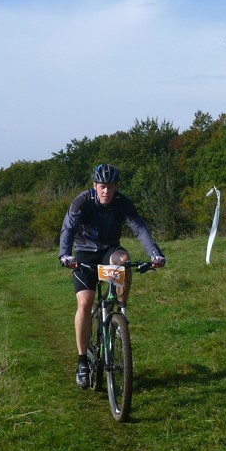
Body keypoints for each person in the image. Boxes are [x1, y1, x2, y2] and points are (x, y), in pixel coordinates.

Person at [59, 163, 166, 389]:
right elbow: (68, 228)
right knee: (85, 303)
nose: (106, 191)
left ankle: (121, 314)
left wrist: (155, 253)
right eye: (102, 186)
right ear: (95, 186)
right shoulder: (82, 202)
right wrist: (65, 255)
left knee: (124, 261)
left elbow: (139, 228)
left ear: (116, 187)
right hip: (84, 252)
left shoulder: (122, 202)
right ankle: (82, 362)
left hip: (109, 250)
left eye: (110, 186)